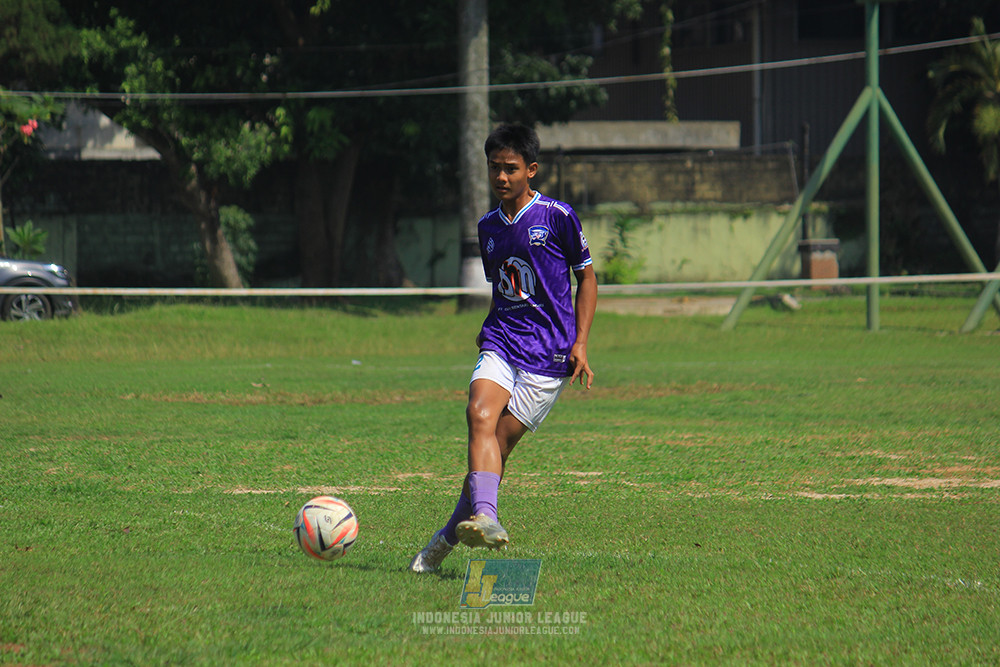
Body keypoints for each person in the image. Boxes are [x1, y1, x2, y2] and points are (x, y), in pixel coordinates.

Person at [409, 123, 597, 573]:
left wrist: (581, 343)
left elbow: (586, 278)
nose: (501, 176)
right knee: (478, 416)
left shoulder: (557, 216)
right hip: (501, 339)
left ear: (531, 170)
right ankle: (488, 518)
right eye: (495, 167)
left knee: (493, 450)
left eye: (511, 168)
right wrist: (488, 325)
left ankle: (448, 536)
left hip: (547, 356)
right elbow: (506, 288)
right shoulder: (487, 227)